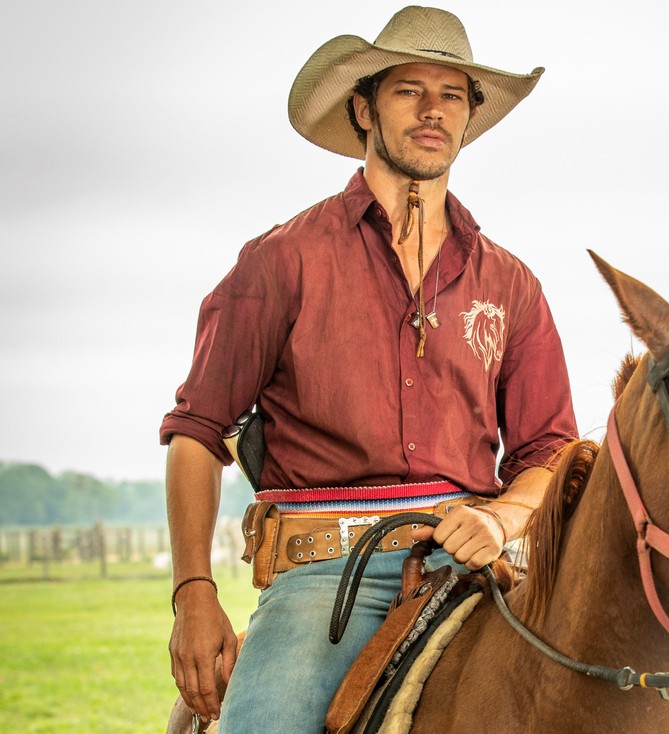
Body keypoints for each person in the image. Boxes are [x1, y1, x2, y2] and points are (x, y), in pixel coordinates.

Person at [161, 6, 577, 733]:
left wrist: (504, 514)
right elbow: (198, 432)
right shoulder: (280, 262)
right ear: (363, 107)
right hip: (321, 586)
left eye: (452, 95)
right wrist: (193, 591)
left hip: (476, 573)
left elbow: (548, 451)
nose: (432, 111)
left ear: (470, 117)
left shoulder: (512, 285)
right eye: (408, 90)